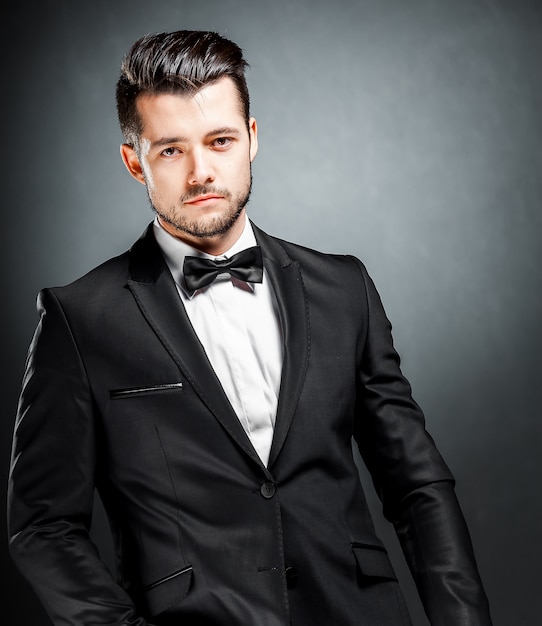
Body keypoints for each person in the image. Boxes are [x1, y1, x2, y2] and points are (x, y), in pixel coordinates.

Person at [7, 29, 492, 626]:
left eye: (220, 141)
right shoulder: (81, 319)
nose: (201, 172)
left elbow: (416, 487)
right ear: (135, 161)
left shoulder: (344, 290)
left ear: (252, 140)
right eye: (171, 150)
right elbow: (43, 526)